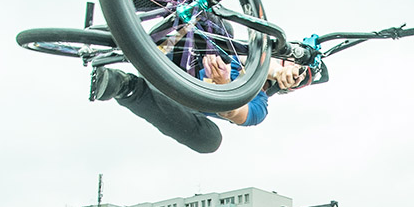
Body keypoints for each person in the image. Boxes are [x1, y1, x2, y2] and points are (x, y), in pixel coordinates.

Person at [90, 51, 305, 154]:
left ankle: (124, 87)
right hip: (174, 50)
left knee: (210, 140)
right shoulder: (250, 50)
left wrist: (224, 86)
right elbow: (260, 59)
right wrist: (277, 68)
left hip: (169, 92)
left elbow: (234, 113)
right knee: (221, 23)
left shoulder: (259, 106)